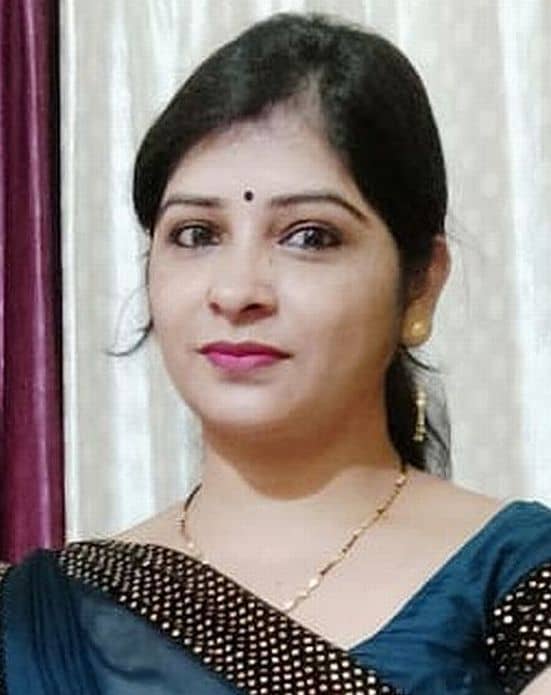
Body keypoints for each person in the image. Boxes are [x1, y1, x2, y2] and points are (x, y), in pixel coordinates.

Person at [1, 11, 550, 695]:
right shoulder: (35, 622)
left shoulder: (522, 582)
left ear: (420, 284)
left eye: (309, 236)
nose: (237, 291)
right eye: (197, 234)